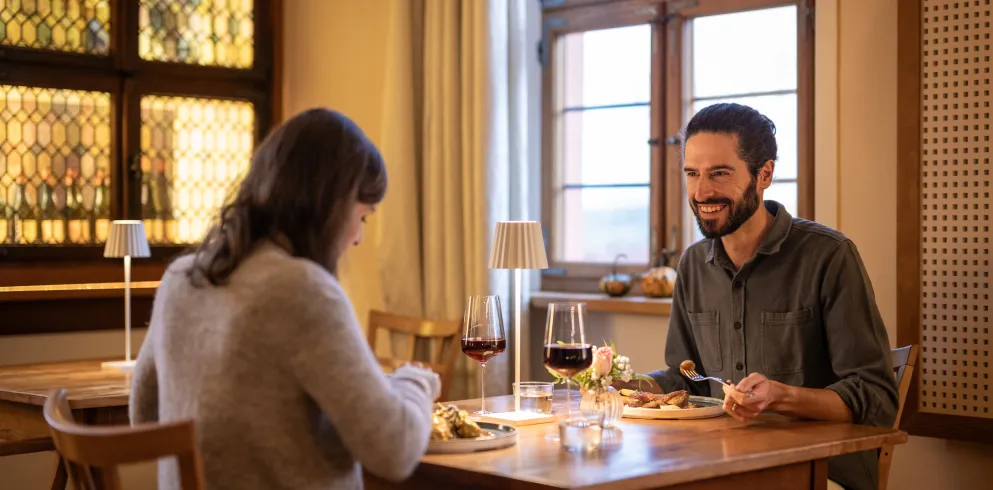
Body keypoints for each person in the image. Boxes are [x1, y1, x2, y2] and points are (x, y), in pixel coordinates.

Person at [130, 108, 442, 490]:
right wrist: (416, 381)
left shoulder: (181, 278)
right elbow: (393, 450)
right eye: (362, 217)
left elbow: (143, 416)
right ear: (332, 204)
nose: (358, 237)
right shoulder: (303, 291)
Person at [617, 103, 898, 490]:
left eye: (719, 173)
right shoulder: (693, 263)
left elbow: (876, 397)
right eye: (692, 174)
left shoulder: (829, 256)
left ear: (764, 174)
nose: (702, 192)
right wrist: (627, 385)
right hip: (721, 464)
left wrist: (780, 396)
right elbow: (691, 379)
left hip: (820, 472)